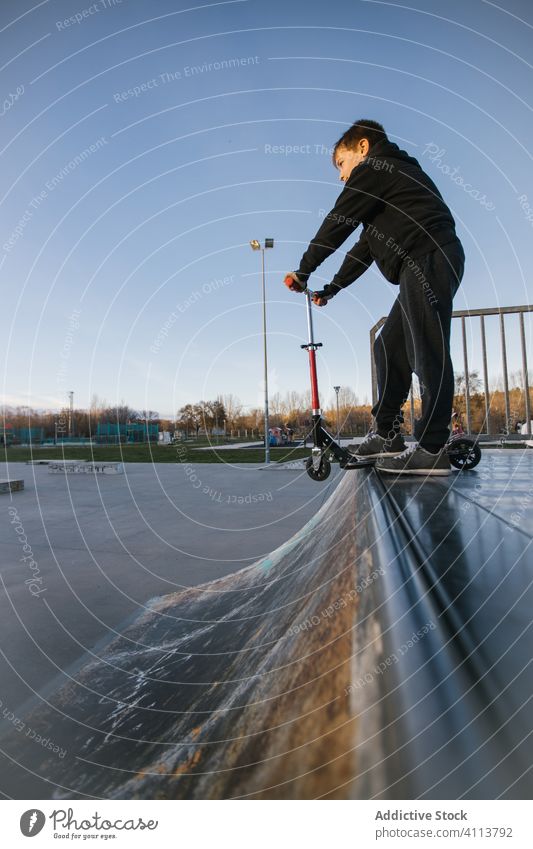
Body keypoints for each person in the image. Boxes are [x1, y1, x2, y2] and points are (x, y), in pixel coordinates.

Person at [284, 119, 465, 476]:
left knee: (426, 349)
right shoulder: (388, 190)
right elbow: (363, 249)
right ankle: (387, 435)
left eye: (341, 163)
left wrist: (304, 269)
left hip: (430, 256)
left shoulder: (378, 168)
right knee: (388, 346)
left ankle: (432, 448)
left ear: (363, 148)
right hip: (422, 261)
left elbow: (340, 219)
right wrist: (331, 288)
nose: (340, 175)